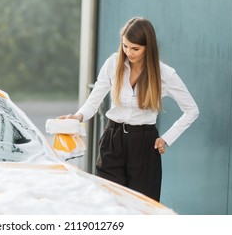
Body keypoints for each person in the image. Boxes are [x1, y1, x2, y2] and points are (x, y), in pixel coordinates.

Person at [59, 17, 199, 201]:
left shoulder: (165, 74)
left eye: (135, 49)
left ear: (148, 48)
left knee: (141, 208)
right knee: (107, 202)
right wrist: (77, 117)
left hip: (144, 145)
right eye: (125, 46)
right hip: (112, 140)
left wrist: (166, 139)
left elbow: (192, 110)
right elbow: (93, 101)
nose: (128, 53)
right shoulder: (113, 64)